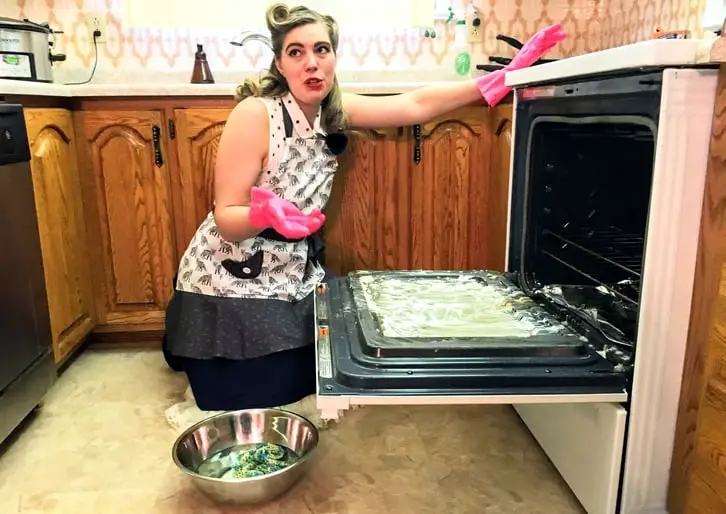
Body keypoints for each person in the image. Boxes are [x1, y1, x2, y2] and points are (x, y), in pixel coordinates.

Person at [162, 2, 565, 428]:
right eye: (296, 52)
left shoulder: (332, 110)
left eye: (322, 49)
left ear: (335, 56)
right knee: (245, 395)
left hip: (293, 268)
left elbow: (413, 105)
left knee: (332, 362)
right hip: (231, 274)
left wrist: (494, 83)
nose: (311, 62)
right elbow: (227, 217)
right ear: (279, 63)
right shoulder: (256, 114)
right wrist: (265, 214)